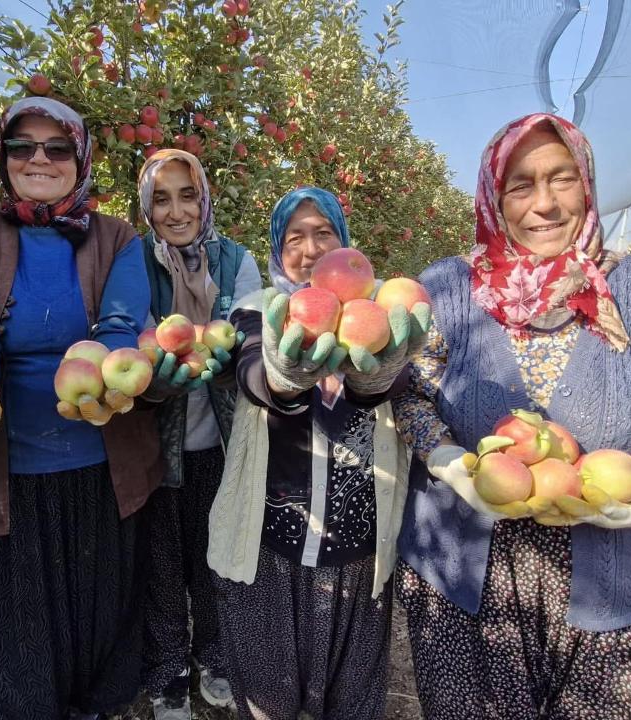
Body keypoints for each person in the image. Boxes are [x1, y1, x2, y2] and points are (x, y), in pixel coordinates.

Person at [393, 113, 631, 719]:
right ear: (494, 196)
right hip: (470, 584)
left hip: (617, 585)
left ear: (587, 186)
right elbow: (409, 393)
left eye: (562, 179)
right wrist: (444, 459)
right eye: (521, 184)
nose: (543, 203)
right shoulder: (447, 292)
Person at [0, 96, 162, 720]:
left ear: (80, 158)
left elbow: (119, 325)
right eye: (21, 146)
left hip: (101, 468)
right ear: (2, 156)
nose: (39, 159)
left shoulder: (116, 237)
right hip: (5, 476)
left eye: (57, 148)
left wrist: (110, 376)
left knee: (101, 623)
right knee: (16, 640)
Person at [205, 187, 427, 719]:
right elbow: (253, 374)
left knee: (350, 699)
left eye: (323, 233)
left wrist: (381, 373)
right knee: (270, 694)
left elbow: (389, 391)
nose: (308, 248)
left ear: (343, 243)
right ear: (277, 251)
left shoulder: (380, 313)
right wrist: (287, 376)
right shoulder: (260, 309)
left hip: (356, 543)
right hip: (270, 543)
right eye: (294, 237)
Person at [134, 149, 261, 719]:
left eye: (187, 195)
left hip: (221, 441)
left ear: (204, 198)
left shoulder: (236, 262)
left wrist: (232, 355)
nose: (176, 210)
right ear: (146, 206)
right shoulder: (134, 261)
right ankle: (167, 671)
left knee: (214, 558)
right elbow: (123, 335)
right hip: (155, 446)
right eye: (161, 199)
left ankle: (214, 657)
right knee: (160, 564)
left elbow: (253, 337)